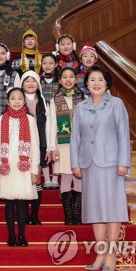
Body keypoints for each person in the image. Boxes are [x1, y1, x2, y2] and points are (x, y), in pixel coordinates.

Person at [70, 64, 130, 271]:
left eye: (100, 80)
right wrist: (75, 163)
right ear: (86, 84)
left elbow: (123, 134)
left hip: (112, 164)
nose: (96, 83)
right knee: (94, 209)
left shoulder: (116, 104)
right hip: (89, 164)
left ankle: (112, 253)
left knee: (112, 209)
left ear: (107, 83)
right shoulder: (80, 107)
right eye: (92, 80)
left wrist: (124, 162)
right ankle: (100, 252)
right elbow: (75, 137)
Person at [0, 88, 40, 247]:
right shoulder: (0, 120)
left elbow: (35, 145)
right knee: (10, 202)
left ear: (25, 101)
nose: (17, 101)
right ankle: (11, 235)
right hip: (7, 166)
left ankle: (22, 236)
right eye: (13, 98)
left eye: (20, 98)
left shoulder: (30, 120)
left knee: (22, 202)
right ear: (7, 101)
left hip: (23, 167)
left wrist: (35, 169)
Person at [50, 67, 86, 225]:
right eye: (64, 77)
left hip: (80, 143)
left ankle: (77, 215)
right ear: (59, 80)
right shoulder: (54, 99)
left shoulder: (83, 98)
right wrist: (52, 147)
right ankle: (69, 216)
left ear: (76, 79)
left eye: (71, 76)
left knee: (78, 177)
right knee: (65, 177)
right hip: (62, 144)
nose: (68, 79)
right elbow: (51, 125)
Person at [20, 71, 54, 226]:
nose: (30, 83)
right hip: (21, 146)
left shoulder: (43, 101)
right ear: (21, 84)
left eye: (33, 80)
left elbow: (48, 126)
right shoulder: (17, 99)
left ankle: (34, 215)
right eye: (27, 81)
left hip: (39, 144)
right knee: (23, 179)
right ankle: (23, 215)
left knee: (36, 179)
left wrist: (48, 147)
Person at [39, 53, 60, 189]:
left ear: (56, 65)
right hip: (42, 115)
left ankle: (56, 177)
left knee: (56, 145)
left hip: (57, 115)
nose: (47, 66)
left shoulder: (60, 81)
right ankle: (46, 178)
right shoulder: (38, 80)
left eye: (51, 63)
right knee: (44, 144)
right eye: (45, 63)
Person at [0, 43, 21, 114]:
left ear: (7, 56)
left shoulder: (14, 74)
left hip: (9, 113)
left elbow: (18, 95)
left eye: (3, 53)